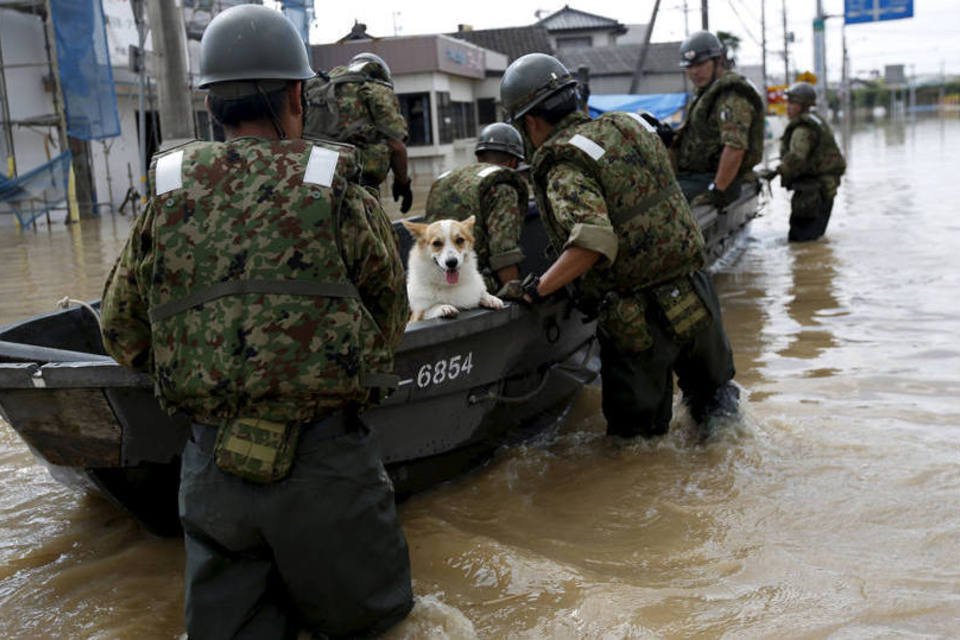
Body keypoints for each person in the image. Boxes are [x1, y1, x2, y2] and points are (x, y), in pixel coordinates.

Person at [99, 6, 413, 638]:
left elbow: (121, 329)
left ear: (212, 103)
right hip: (326, 467)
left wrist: (203, 373)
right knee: (371, 629)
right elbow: (390, 315)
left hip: (213, 469)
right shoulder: (333, 185)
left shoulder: (167, 191)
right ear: (298, 93)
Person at [498, 53, 739, 441]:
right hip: (695, 293)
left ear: (529, 122)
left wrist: (536, 289)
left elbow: (592, 242)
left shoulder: (564, 164)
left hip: (638, 318)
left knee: (637, 450)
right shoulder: (630, 126)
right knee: (719, 413)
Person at [304, 51, 414, 213]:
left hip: (317, 175)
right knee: (367, 231)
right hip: (360, 181)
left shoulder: (324, 87)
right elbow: (397, 146)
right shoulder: (377, 90)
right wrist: (403, 183)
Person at [424, 122, 528, 291]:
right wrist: (518, 294)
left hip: (430, 281)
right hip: (465, 284)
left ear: (479, 157)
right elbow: (504, 253)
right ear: (513, 162)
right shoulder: (502, 189)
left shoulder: (446, 180)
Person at [672, 30, 765, 207]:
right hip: (695, 174)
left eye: (700, 64)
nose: (694, 72)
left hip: (714, 178)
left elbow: (735, 147)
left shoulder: (732, 95)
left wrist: (717, 190)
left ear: (718, 61)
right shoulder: (706, 92)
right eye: (689, 67)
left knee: (658, 203)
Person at [761, 81, 846, 242]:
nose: (788, 107)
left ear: (804, 105)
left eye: (793, 103)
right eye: (789, 103)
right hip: (825, 190)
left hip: (811, 194)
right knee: (814, 241)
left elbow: (797, 158)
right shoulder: (816, 120)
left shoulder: (802, 129)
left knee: (800, 243)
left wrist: (775, 172)